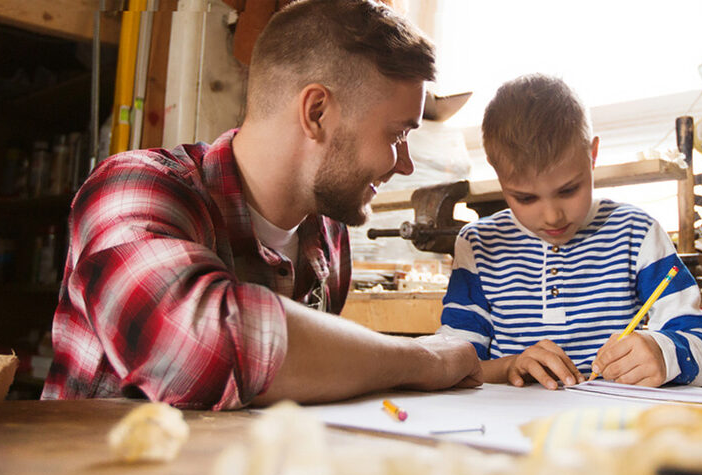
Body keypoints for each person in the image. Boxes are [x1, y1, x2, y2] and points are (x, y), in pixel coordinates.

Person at [43, 0, 482, 410]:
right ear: (316, 112)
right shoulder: (133, 188)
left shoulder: (328, 233)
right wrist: (424, 358)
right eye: (398, 135)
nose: (405, 165)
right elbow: (206, 348)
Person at [438, 74, 702, 389]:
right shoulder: (479, 246)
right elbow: (452, 364)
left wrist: (664, 354)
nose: (552, 216)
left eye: (569, 190)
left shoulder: (636, 233)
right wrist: (510, 366)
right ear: (497, 173)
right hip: (508, 431)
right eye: (525, 198)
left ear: (593, 155)